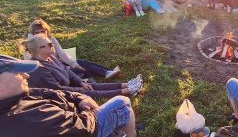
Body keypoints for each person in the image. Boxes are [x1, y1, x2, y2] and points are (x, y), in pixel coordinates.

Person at [0, 54, 137, 137]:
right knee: (122, 103)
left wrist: (79, 97)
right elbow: (84, 127)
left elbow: (50, 92)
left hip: (74, 100)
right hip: (84, 124)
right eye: (17, 73)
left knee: (89, 87)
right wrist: (86, 109)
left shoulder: (16, 97)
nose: (26, 75)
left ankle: (122, 86)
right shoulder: (33, 118)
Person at [25, 34, 143, 99]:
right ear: (39, 50)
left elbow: (67, 70)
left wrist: (81, 83)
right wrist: (79, 89)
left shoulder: (50, 57)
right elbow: (58, 90)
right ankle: (127, 91)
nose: (52, 46)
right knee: (90, 93)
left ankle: (126, 84)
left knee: (92, 86)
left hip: (67, 86)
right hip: (58, 95)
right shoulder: (38, 69)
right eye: (49, 44)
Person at [25, 19, 120, 80]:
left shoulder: (51, 38)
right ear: (32, 34)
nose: (41, 34)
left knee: (82, 63)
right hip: (53, 69)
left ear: (47, 31)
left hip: (61, 63)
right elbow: (34, 64)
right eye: (37, 32)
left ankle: (107, 72)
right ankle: (89, 76)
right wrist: (67, 67)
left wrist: (74, 64)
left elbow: (61, 54)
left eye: (43, 31)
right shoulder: (30, 45)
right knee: (82, 71)